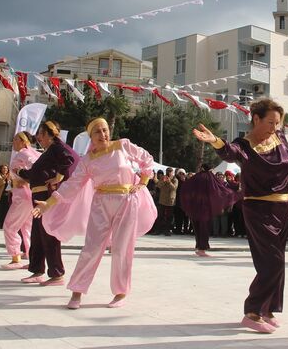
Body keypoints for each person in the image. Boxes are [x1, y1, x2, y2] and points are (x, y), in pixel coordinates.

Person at [193, 98, 288, 334]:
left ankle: (268, 309)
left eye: (277, 123)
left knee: (278, 262)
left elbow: (287, 170)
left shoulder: (281, 139)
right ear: (256, 119)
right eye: (270, 122)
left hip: (282, 209)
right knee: (271, 262)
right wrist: (214, 140)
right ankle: (252, 311)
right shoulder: (244, 145)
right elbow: (229, 151)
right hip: (259, 209)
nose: (275, 127)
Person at [33, 117, 157, 309]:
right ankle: (77, 291)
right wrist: (47, 204)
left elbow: (146, 159)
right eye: (98, 131)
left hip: (126, 200)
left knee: (121, 248)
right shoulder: (87, 160)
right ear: (91, 136)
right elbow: (71, 186)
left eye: (105, 130)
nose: (103, 134)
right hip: (101, 202)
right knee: (91, 248)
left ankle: (120, 292)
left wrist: (142, 182)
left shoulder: (122, 146)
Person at [16, 120, 78, 286]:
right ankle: (37, 270)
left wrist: (59, 176)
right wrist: (21, 172)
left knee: (48, 234)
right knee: (38, 235)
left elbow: (71, 159)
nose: (38, 138)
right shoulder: (48, 152)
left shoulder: (57, 147)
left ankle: (57, 273)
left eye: (41, 134)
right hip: (38, 196)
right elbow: (36, 173)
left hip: (46, 196)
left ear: (50, 135)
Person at [179, 163, 241, 256]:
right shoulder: (210, 177)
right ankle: (202, 250)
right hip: (205, 207)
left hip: (195, 207)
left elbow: (185, 186)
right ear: (210, 169)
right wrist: (235, 190)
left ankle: (198, 247)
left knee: (197, 228)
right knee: (204, 228)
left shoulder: (196, 177)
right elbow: (220, 187)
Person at [1, 132, 41, 270]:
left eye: (16, 139)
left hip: (22, 196)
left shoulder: (23, 153)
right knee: (27, 227)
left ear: (24, 141)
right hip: (27, 195)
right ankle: (31, 257)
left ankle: (15, 257)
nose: (13, 142)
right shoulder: (34, 152)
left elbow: (35, 166)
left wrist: (25, 179)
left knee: (9, 226)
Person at [156, 167, 178, 236]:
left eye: (170, 172)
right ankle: (159, 230)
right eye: (167, 171)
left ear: (172, 172)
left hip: (170, 201)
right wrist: (163, 181)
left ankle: (167, 230)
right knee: (160, 216)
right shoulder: (163, 178)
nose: (168, 173)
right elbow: (158, 186)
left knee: (169, 217)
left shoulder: (175, 179)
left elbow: (174, 188)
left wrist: (169, 182)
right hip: (162, 200)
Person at [0, 164, 12, 229]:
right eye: (3, 168)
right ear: (1, 169)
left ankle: (5, 225)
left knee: (6, 211)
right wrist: (3, 179)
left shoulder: (10, 176)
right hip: (0, 196)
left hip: (8, 196)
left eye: (6, 168)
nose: (5, 170)